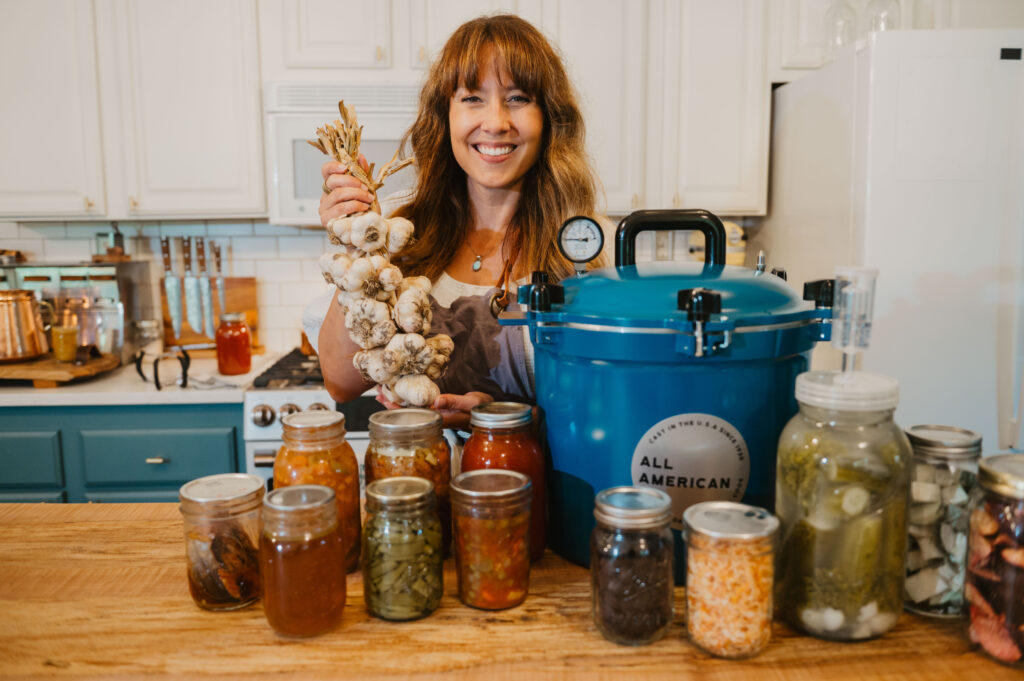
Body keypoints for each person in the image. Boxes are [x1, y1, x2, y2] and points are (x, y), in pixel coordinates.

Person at [306, 13, 608, 428]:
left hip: (546, 484)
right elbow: (341, 383)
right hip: (423, 478)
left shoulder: (589, 248)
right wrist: (358, 248)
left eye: (518, 98)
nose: (496, 122)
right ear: (445, 114)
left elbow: (608, 405)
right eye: (472, 98)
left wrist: (501, 420)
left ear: (549, 117)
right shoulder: (396, 229)